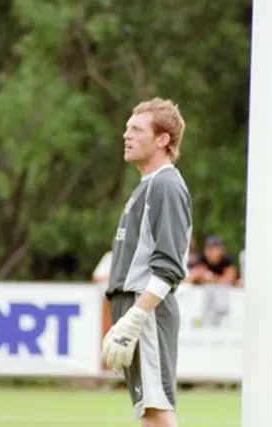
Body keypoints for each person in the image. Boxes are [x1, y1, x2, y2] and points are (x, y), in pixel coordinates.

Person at [101, 98, 192, 427]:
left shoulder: (166, 186)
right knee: (149, 411)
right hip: (134, 308)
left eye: (137, 129)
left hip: (147, 311)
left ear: (163, 139)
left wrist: (137, 316)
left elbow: (168, 265)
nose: (126, 135)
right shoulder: (147, 186)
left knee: (156, 411)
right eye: (126, 128)